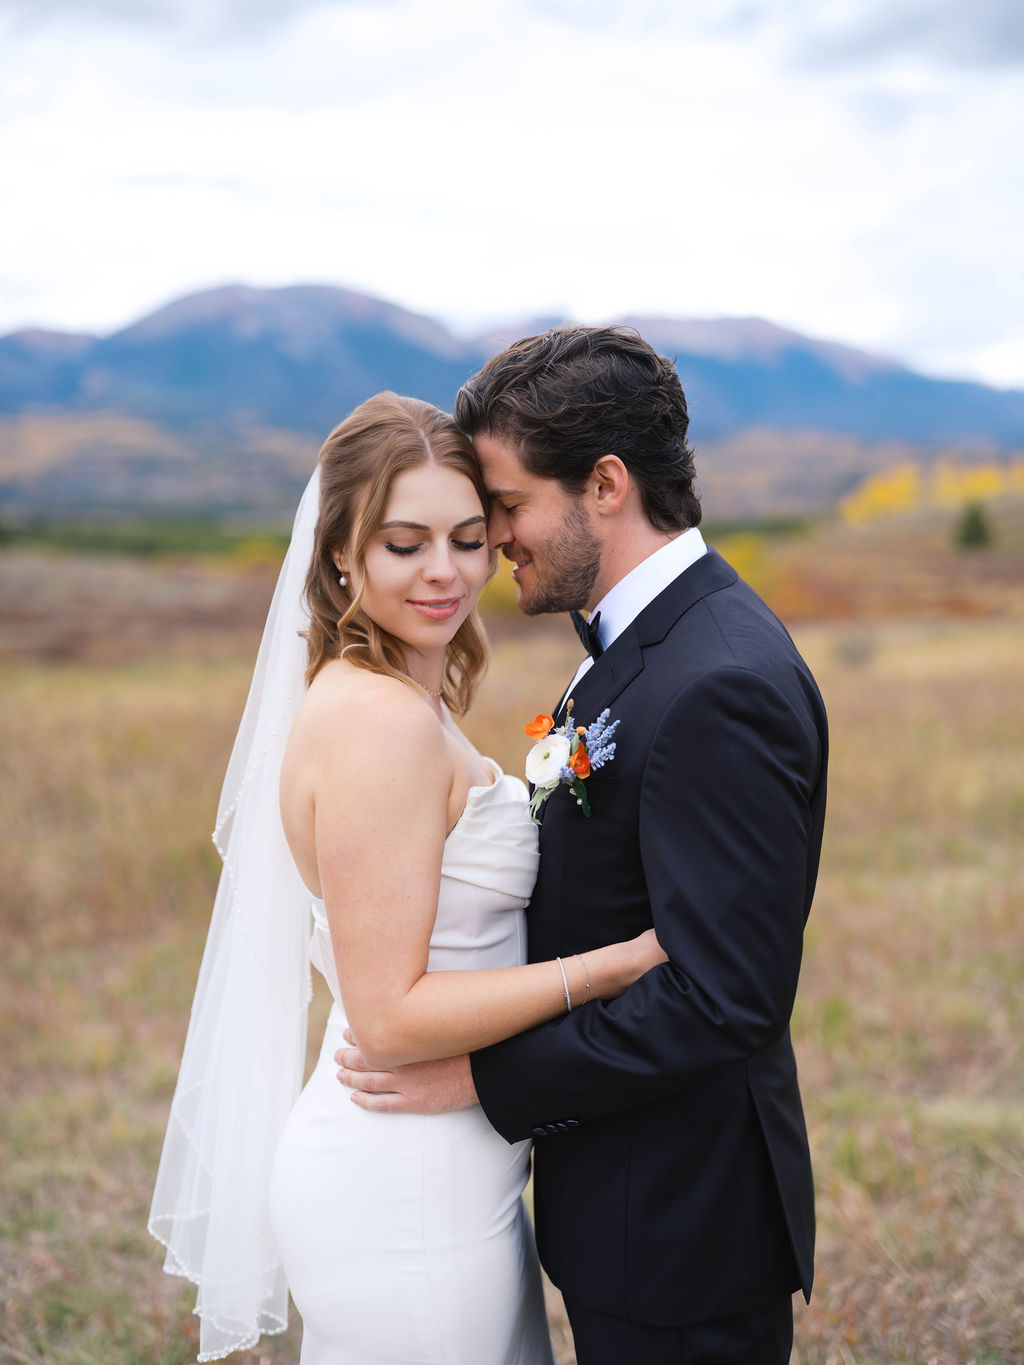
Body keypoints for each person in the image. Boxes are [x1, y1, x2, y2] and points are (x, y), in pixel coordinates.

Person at [336, 330, 829, 1365]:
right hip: (624, 1206)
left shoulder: (718, 681)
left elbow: (720, 996)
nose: (494, 538)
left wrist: (479, 1082)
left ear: (604, 485)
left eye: (507, 507)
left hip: (684, 1225)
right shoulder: (637, 649)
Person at [148, 390, 665, 1364]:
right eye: (404, 543)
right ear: (341, 551)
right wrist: (610, 968)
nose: (446, 572)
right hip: (403, 1193)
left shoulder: (391, 697)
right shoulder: (375, 725)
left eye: (470, 538)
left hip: (449, 1175)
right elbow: (388, 1015)